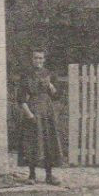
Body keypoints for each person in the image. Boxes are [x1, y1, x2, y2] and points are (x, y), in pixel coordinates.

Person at [16, 49, 63, 186]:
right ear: (32, 59)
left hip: (47, 111)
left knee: (48, 142)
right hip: (33, 109)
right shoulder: (26, 75)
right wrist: (29, 114)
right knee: (33, 142)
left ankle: (49, 175)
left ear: (44, 59)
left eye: (41, 58)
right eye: (36, 58)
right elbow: (20, 98)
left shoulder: (50, 74)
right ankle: (32, 175)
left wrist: (52, 87)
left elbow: (57, 95)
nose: (38, 60)